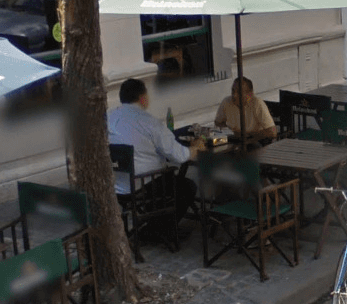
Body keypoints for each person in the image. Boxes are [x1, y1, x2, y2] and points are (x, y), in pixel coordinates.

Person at [107, 78, 202, 229]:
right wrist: (195, 149)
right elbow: (179, 155)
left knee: (167, 180)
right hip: (142, 184)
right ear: (143, 98)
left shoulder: (108, 118)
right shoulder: (148, 122)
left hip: (116, 185)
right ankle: (162, 231)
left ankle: (154, 226)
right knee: (186, 186)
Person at [215, 76, 277, 144]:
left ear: (250, 94)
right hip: (234, 140)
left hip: (256, 140)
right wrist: (229, 131)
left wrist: (247, 135)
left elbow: (272, 132)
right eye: (233, 91)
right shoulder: (226, 101)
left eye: (239, 92)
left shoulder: (257, 103)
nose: (234, 95)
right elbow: (218, 122)